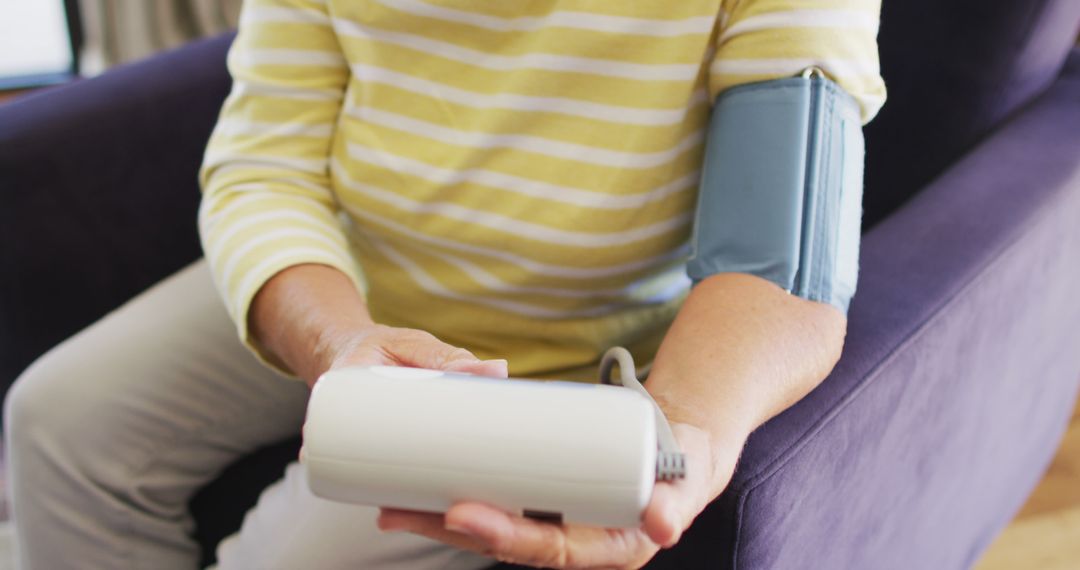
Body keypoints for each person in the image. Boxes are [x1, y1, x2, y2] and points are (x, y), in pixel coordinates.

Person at [5, 0, 886, 568]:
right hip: (343, 274)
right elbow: (261, 172)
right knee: (53, 420)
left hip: (553, 353)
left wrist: (686, 429)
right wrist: (338, 343)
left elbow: (783, 267)